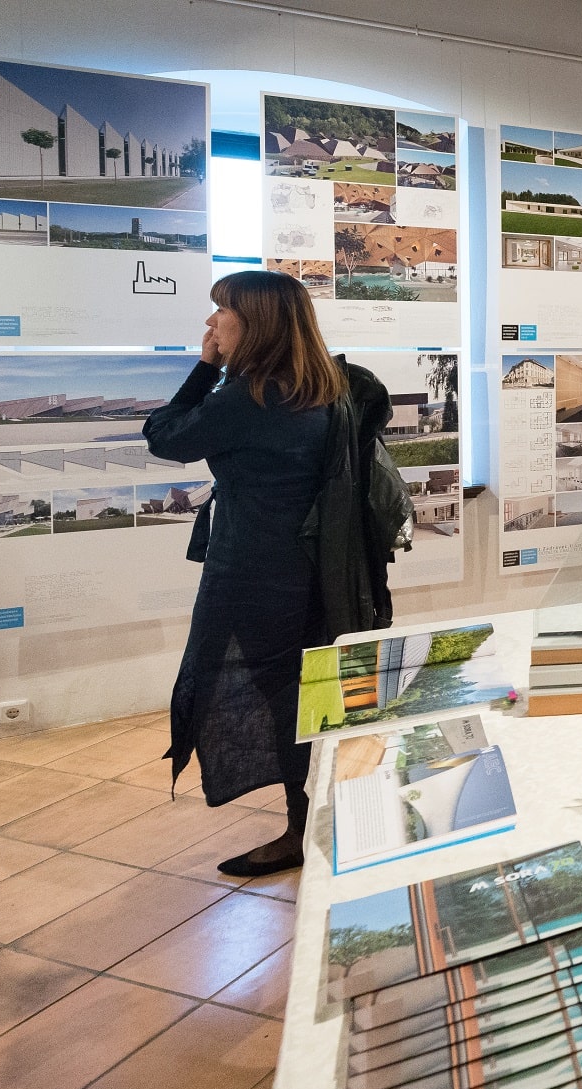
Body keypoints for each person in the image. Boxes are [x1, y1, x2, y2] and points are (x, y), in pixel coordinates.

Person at [145, 270, 391, 877]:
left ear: (254, 323)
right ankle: (328, 819)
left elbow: (164, 436)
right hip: (323, 573)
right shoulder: (330, 388)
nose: (211, 324)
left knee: (286, 702)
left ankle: (304, 833)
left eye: (221, 312)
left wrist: (204, 368)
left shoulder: (251, 398)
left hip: (258, 574)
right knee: (314, 696)